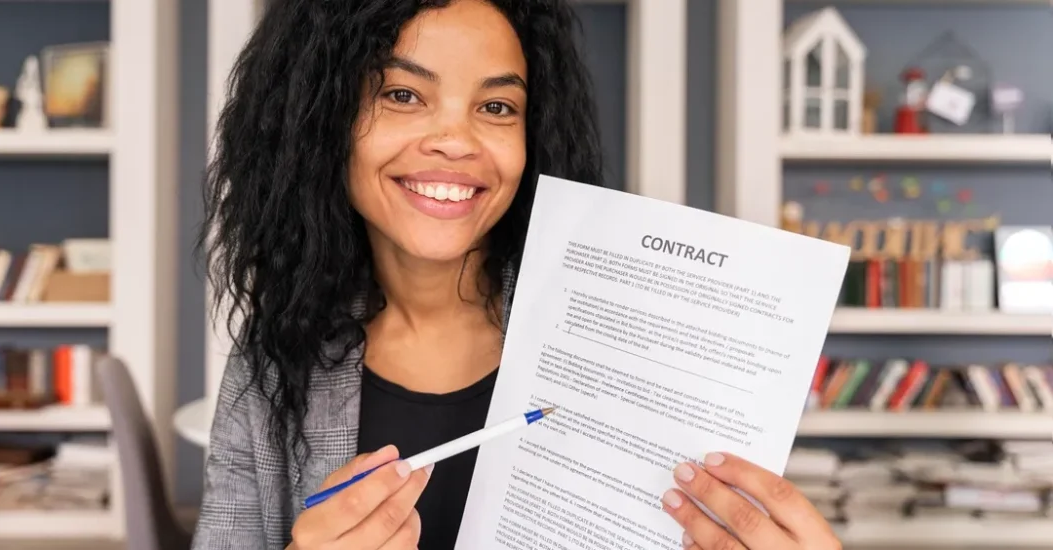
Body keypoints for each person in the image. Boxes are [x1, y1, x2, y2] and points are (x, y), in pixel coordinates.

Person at [192, 0, 842, 549]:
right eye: (402, 94)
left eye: (498, 107)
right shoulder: (272, 366)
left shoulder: (632, 344)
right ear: (321, 122)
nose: (457, 140)